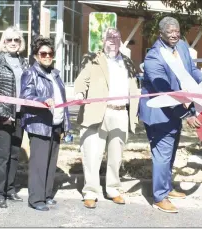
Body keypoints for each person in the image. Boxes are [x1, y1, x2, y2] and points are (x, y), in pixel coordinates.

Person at [138, 16, 202, 213]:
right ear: (161, 34)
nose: (175, 35)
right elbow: (164, 92)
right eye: (170, 32)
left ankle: (166, 187)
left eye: (177, 31)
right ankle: (159, 196)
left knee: (171, 151)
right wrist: (187, 116)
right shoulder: (154, 57)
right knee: (162, 154)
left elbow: (191, 70)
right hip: (159, 112)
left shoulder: (182, 46)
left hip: (176, 110)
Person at [74, 27, 140, 209]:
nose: (113, 40)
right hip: (98, 112)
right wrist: (79, 93)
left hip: (120, 113)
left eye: (116, 37)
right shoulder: (93, 59)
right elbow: (82, 80)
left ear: (120, 41)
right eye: (109, 37)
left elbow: (133, 87)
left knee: (116, 156)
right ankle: (90, 192)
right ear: (103, 40)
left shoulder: (127, 62)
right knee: (92, 155)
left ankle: (113, 189)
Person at [20, 36, 71, 211]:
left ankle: (47, 195)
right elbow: (25, 98)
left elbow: (62, 100)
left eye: (50, 53)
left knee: (51, 163)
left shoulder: (55, 74)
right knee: (39, 164)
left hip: (55, 124)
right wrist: (42, 100)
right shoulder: (30, 73)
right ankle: (35, 199)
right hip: (40, 125)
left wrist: (65, 125)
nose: (47, 56)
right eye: (43, 53)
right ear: (36, 55)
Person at [0, 26, 28, 208]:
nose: (13, 43)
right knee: (2, 157)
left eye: (16, 40)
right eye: (9, 40)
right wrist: (3, 115)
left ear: (20, 43)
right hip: (1, 119)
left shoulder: (25, 63)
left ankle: (10, 189)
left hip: (20, 116)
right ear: (3, 42)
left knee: (14, 155)